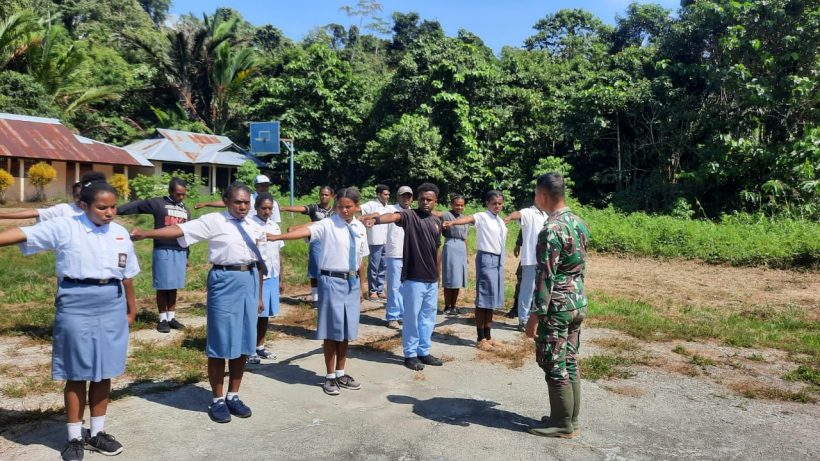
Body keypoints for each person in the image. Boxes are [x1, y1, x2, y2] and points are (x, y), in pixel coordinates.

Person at [0, 180, 139, 461]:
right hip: (76, 301)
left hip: (111, 302)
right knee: (77, 372)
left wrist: (131, 308)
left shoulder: (121, 233)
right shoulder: (65, 226)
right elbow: (21, 234)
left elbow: (127, 275)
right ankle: (74, 437)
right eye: (102, 207)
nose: (109, 212)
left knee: (104, 370)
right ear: (83, 205)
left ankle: (97, 432)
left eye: (113, 207)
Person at [131, 182, 265, 423]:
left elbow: (261, 261)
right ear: (226, 201)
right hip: (224, 280)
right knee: (221, 341)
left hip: (250, 279)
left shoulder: (254, 224)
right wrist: (147, 234)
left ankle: (233, 395)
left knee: (245, 342)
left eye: (246, 202)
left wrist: (259, 296)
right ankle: (217, 399)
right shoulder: (214, 220)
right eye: (238, 202)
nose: (243, 206)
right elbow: (180, 231)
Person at [268, 187, 368, 396]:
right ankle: (330, 376)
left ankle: (341, 372)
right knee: (332, 331)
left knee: (346, 331)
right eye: (340, 206)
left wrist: (362, 285)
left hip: (351, 281)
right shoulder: (328, 224)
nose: (344, 211)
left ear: (357, 207)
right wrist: (278, 238)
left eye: (348, 207)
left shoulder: (359, 227)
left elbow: (361, 259)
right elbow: (307, 230)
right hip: (331, 280)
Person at [525, 173, 590, 439]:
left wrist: (534, 315)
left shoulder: (551, 229)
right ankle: (568, 419)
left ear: (542, 195)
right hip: (577, 301)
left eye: (535, 193)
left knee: (553, 360)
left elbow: (545, 276)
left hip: (557, 306)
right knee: (570, 359)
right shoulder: (579, 223)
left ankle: (562, 423)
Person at [362, 183, 444, 371]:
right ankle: (410, 354)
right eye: (422, 198)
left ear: (435, 201)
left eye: (429, 200)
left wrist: (438, 275)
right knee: (411, 318)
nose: (425, 202)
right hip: (414, 278)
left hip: (431, 280)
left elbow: (437, 249)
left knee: (428, 318)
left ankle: (424, 351)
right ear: (417, 199)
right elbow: (392, 216)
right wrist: (375, 220)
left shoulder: (436, 221)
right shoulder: (409, 215)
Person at [117, 178, 191, 333]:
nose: (181, 197)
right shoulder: (159, 204)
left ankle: (171, 317)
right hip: (163, 249)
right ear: (171, 191)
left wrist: (187, 256)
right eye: (178, 194)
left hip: (180, 251)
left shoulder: (186, 210)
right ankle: (162, 318)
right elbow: (137, 206)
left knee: (174, 285)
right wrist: (115, 210)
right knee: (163, 285)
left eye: (184, 194)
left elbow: (187, 234)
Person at [443, 190, 508, 344]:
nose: (497, 206)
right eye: (494, 203)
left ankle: (488, 335)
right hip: (486, 258)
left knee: (491, 300)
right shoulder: (483, 216)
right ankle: (480, 337)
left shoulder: (499, 220)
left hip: (499, 261)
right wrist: (452, 222)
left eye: (500, 203)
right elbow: (468, 219)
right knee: (483, 299)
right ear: (487, 203)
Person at [279, 186, 334, 307]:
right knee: (314, 269)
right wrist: (284, 208)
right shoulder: (315, 208)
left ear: (331, 196)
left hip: (331, 243)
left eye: (326, 195)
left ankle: (327, 297)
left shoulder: (334, 211)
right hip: (316, 241)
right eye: (322, 194)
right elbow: (302, 208)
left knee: (329, 270)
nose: (323, 197)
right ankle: (315, 298)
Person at [247, 193, 284, 364]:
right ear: (256, 208)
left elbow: (279, 253)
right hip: (255, 275)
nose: (267, 211)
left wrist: (281, 278)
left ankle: (259, 346)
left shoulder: (274, 227)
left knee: (265, 314)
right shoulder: (249, 225)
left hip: (272, 276)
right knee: (253, 314)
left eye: (270, 208)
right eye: (264, 208)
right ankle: (248, 349)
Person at [505, 202, 549, 330]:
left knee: (539, 291)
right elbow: (517, 214)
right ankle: (523, 320)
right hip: (531, 259)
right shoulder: (528, 212)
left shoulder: (545, 215)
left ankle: (533, 319)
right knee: (527, 290)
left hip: (543, 259)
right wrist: (508, 217)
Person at [0, 172, 106, 222]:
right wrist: (4, 215)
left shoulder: (98, 211)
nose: (79, 199)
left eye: (82, 196)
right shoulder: (64, 209)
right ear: (72, 196)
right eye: (76, 196)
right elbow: (35, 212)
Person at [383, 186, 413, 329]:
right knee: (394, 287)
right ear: (398, 197)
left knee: (406, 287)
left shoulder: (414, 213)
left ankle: (402, 314)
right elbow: (378, 214)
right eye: (403, 196)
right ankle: (393, 316)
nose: (406, 199)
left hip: (410, 254)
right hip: (395, 253)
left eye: (409, 196)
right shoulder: (390, 210)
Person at [195, 174, 281, 222]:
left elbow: (275, 222)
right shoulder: (248, 198)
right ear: (256, 186)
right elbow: (226, 203)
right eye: (262, 185)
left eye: (266, 185)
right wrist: (206, 204)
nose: (264, 188)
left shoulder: (273, 203)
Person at [359, 184, 391, 301]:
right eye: (385, 194)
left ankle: (380, 289)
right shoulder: (371, 205)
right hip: (375, 240)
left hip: (387, 241)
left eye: (388, 194)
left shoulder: (389, 207)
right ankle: (372, 291)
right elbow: (358, 210)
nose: (387, 196)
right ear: (378, 194)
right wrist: (369, 217)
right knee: (374, 266)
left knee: (384, 266)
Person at [440, 195, 469, 316]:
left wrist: (466, 255)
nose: (459, 207)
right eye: (457, 205)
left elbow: (466, 238)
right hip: (451, 245)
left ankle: (454, 306)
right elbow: (436, 215)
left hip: (461, 247)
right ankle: (447, 306)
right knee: (449, 277)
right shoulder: (447, 215)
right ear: (452, 205)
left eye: (462, 205)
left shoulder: (465, 218)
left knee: (457, 279)